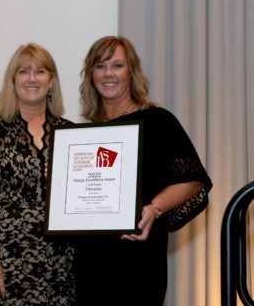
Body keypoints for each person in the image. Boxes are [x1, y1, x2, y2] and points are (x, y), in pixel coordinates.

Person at [75, 35, 213, 306]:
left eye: (117, 65)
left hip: (138, 258)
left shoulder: (158, 121)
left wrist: (154, 208)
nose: (108, 74)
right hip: (91, 261)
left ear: (132, 71)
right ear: (91, 74)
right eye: (100, 66)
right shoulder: (87, 133)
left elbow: (192, 180)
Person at [0, 43, 76, 305]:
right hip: (6, 260)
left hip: (61, 261)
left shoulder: (71, 134)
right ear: (12, 80)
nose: (31, 78)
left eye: (40, 71)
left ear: (51, 81)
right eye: (23, 71)